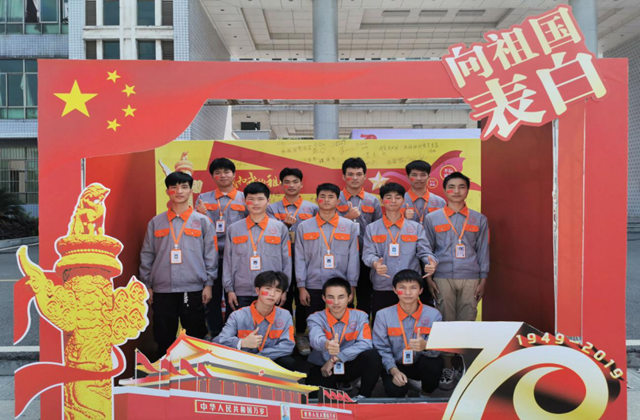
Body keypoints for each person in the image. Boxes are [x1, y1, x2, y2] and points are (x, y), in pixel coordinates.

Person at [140, 172, 217, 358]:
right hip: (162, 288)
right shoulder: (156, 222)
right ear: (168, 191)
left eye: (184, 187)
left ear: (191, 191)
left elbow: (210, 254)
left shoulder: (202, 221)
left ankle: (195, 369)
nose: (179, 191)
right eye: (174, 187)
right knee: (163, 334)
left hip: (192, 288)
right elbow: (147, 254)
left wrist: (208, 283)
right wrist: (147, 285)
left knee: (195, 334)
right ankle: (163, 369)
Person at [424, 172, 489, 390]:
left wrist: (483, 279)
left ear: (467, 190)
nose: (456, 191)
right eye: (451, 187)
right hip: (442, 276)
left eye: (461, 187)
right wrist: (429, 278)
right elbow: (427, 250)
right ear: (444, 190)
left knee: (467, 321)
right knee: (445, 321)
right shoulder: (432, 218)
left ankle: (464, 365)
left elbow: (483, 251)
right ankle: (447, 367)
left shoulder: (479, 219)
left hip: (471, 276)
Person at [363, 182, 438, 323]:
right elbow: (368, 254)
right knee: (382, 323)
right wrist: (375, 264)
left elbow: (425, 252)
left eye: (397, 197)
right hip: (383, 284)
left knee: (411, 323)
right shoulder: (372, 228)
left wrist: (431, 262)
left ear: (403, 201)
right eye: (388, 197)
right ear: (382, 201)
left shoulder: (415, 228)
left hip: (409, 287)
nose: (393, 201)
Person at [266, 167, 319, 356]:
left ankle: (302, 334)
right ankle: (283, 334)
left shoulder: (312, 208)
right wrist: (284, 225)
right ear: (281, 185)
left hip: (306, 259)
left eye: (295, 181)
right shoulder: (272, 208)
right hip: (281, 259)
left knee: (305, 298)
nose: (291, 185)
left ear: (302, 184)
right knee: (283, 297)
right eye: (287, 182)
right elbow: (269, 230)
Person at [306, 278, 382, 402]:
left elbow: (366, 343)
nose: (336, 302)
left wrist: (337, 357)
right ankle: (336, 387)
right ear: (324, 298)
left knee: (373, 356)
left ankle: (363, 396)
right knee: (316, 399)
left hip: (349, 365)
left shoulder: (361, 316)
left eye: (341, 297)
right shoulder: (315, 318)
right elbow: (315, 339)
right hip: (324, 368)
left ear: (349, 297)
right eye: (330, 297)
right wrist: (326, 344)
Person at [196, 158, 248, 338]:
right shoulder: (203, 198)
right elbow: (196, 225)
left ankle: (234, 334)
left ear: (234, 174)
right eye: (217, 173)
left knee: (236, 297)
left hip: (237, 256)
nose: (222, 175)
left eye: (226, 172)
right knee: (212, 297)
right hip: (211, 256)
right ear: (212, 176)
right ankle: (215, 333)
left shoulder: (245, 198)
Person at [372, 270, 444, 398]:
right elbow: (381, 348)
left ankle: (425, 394)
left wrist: (426, 346)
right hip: (395, 364)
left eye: (413, 288)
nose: (407, 293)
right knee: (395, 392)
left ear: (421, 291)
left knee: (435, 363)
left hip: (419, 363)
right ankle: (404, 386)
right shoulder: (383, 315)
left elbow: (439, 348)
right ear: (394, 290)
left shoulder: (433, 315)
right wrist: (394, 371)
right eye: (402, 288)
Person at [223, 182, 292, 311]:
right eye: (251, 199)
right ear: (245, 201)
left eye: (260, 199)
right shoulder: (234, 229)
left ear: (268, 201)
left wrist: (284, 289)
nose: (255, 203)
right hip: (241, 292)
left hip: (271, 291)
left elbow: (286, 262)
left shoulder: (280, 228)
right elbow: (227, 261)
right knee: (242, 323)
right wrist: (229, 290)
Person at [295, 183, 359, 317]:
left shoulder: (349, 226)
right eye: (322, 196)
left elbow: (353, 257)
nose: (326, 200)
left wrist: (352, 286)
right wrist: (301, 287)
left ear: (338, 201)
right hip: (313, 285)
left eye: (331, 197)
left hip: (340, 284)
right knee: (313, 321)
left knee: (340, 322)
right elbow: (299, 258)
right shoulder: (304, 227)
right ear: (316, 200)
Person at [214, 271, 296, 370]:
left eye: (278, 290)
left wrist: (259, 358)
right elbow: (218, 342)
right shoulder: (237, 315)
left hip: (270, 361)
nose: (272, 294)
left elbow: (288, 345)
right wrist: (242, 342)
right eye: (268, 288)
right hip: (243, 362)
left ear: (281, 295)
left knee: (288, 362)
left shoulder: (285, 315)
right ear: (257, 291)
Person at [337, 157, 382, 314]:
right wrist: (346, 218)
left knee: (365, 297)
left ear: (364, 176)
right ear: (343, 176)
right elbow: (327, 226)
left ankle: (364, 327)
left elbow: (379, 228)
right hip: (342, 256)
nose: (354, 178)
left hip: (365, 256)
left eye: (359, 174)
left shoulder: (373, 200)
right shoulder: (335, 198)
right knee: (343, 298)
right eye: (350, 174)